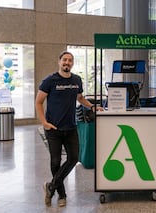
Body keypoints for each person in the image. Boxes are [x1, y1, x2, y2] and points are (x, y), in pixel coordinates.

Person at [35, 51, 103, 207]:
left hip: (71, 127)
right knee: (55, 162)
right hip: (53, 129)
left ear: (72, 63)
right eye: (64, 60)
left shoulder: (77, 80)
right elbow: (38, 102)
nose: (67, 62)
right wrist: (44, 123)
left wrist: (92, 106)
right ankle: (62, 195)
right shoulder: (50, 81)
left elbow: (80, 98)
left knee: (73, 158)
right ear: (59, 62)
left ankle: (50, 186)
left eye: (70, 60)